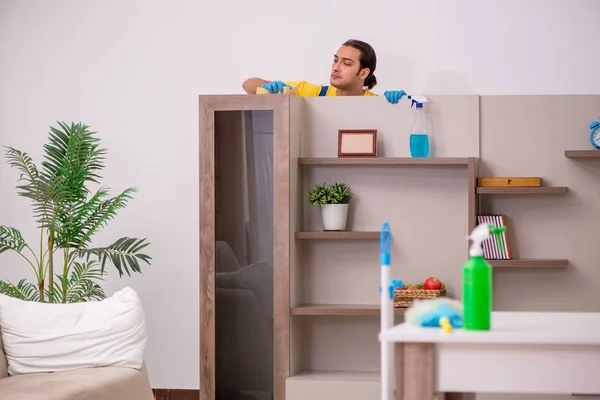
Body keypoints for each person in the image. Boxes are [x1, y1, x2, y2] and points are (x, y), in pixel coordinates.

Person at [242, 39, 407, 104]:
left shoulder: (376, 104)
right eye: (335, 60)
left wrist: (400, 104)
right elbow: (248, 85)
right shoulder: (312, 92)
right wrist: (269, 87)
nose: (336, 67)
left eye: (346, 63)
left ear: (363, 73)